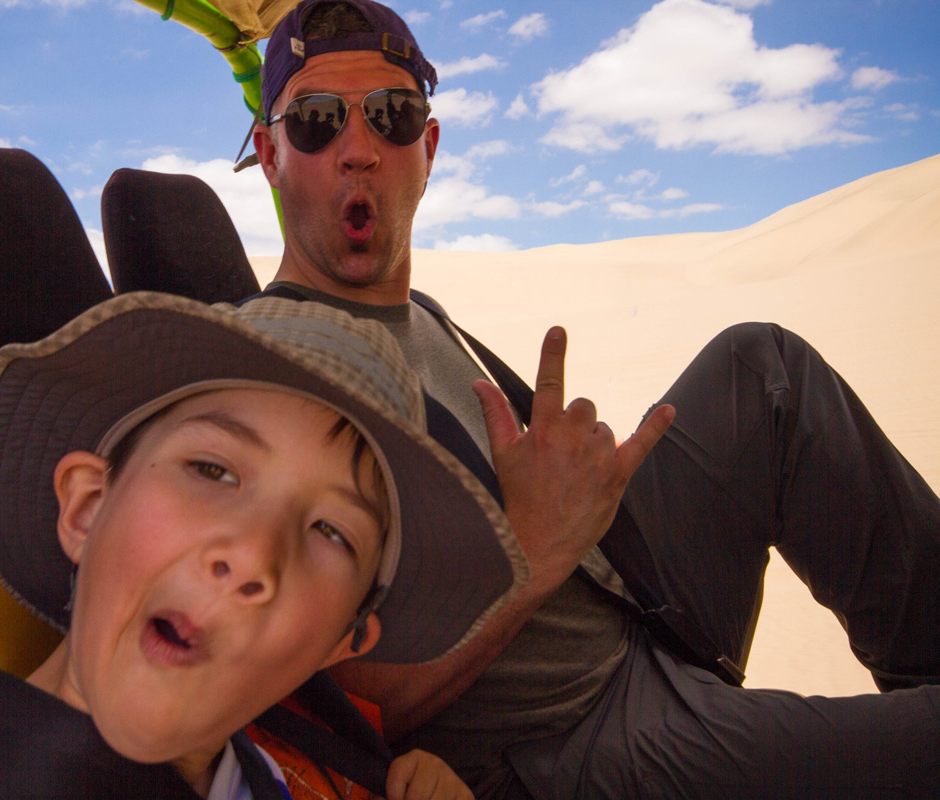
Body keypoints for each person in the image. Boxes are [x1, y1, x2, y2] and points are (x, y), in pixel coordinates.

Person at [245, 1, 940, 797]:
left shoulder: (422, 313)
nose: (358, 150)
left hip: (627, 598)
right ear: (270, 154)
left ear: (428, 148)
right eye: (317, 122)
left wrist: (571, 510)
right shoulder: (274, 362)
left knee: (763, 368)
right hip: (559, 734)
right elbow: (338, 703)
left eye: (393, 116)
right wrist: (534, 550)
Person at [0, 291, 531, 800]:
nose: (252, 555)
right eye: (213, 471)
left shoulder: (250, 775)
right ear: (87, 507)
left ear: (340, 642)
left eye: (332, 532)